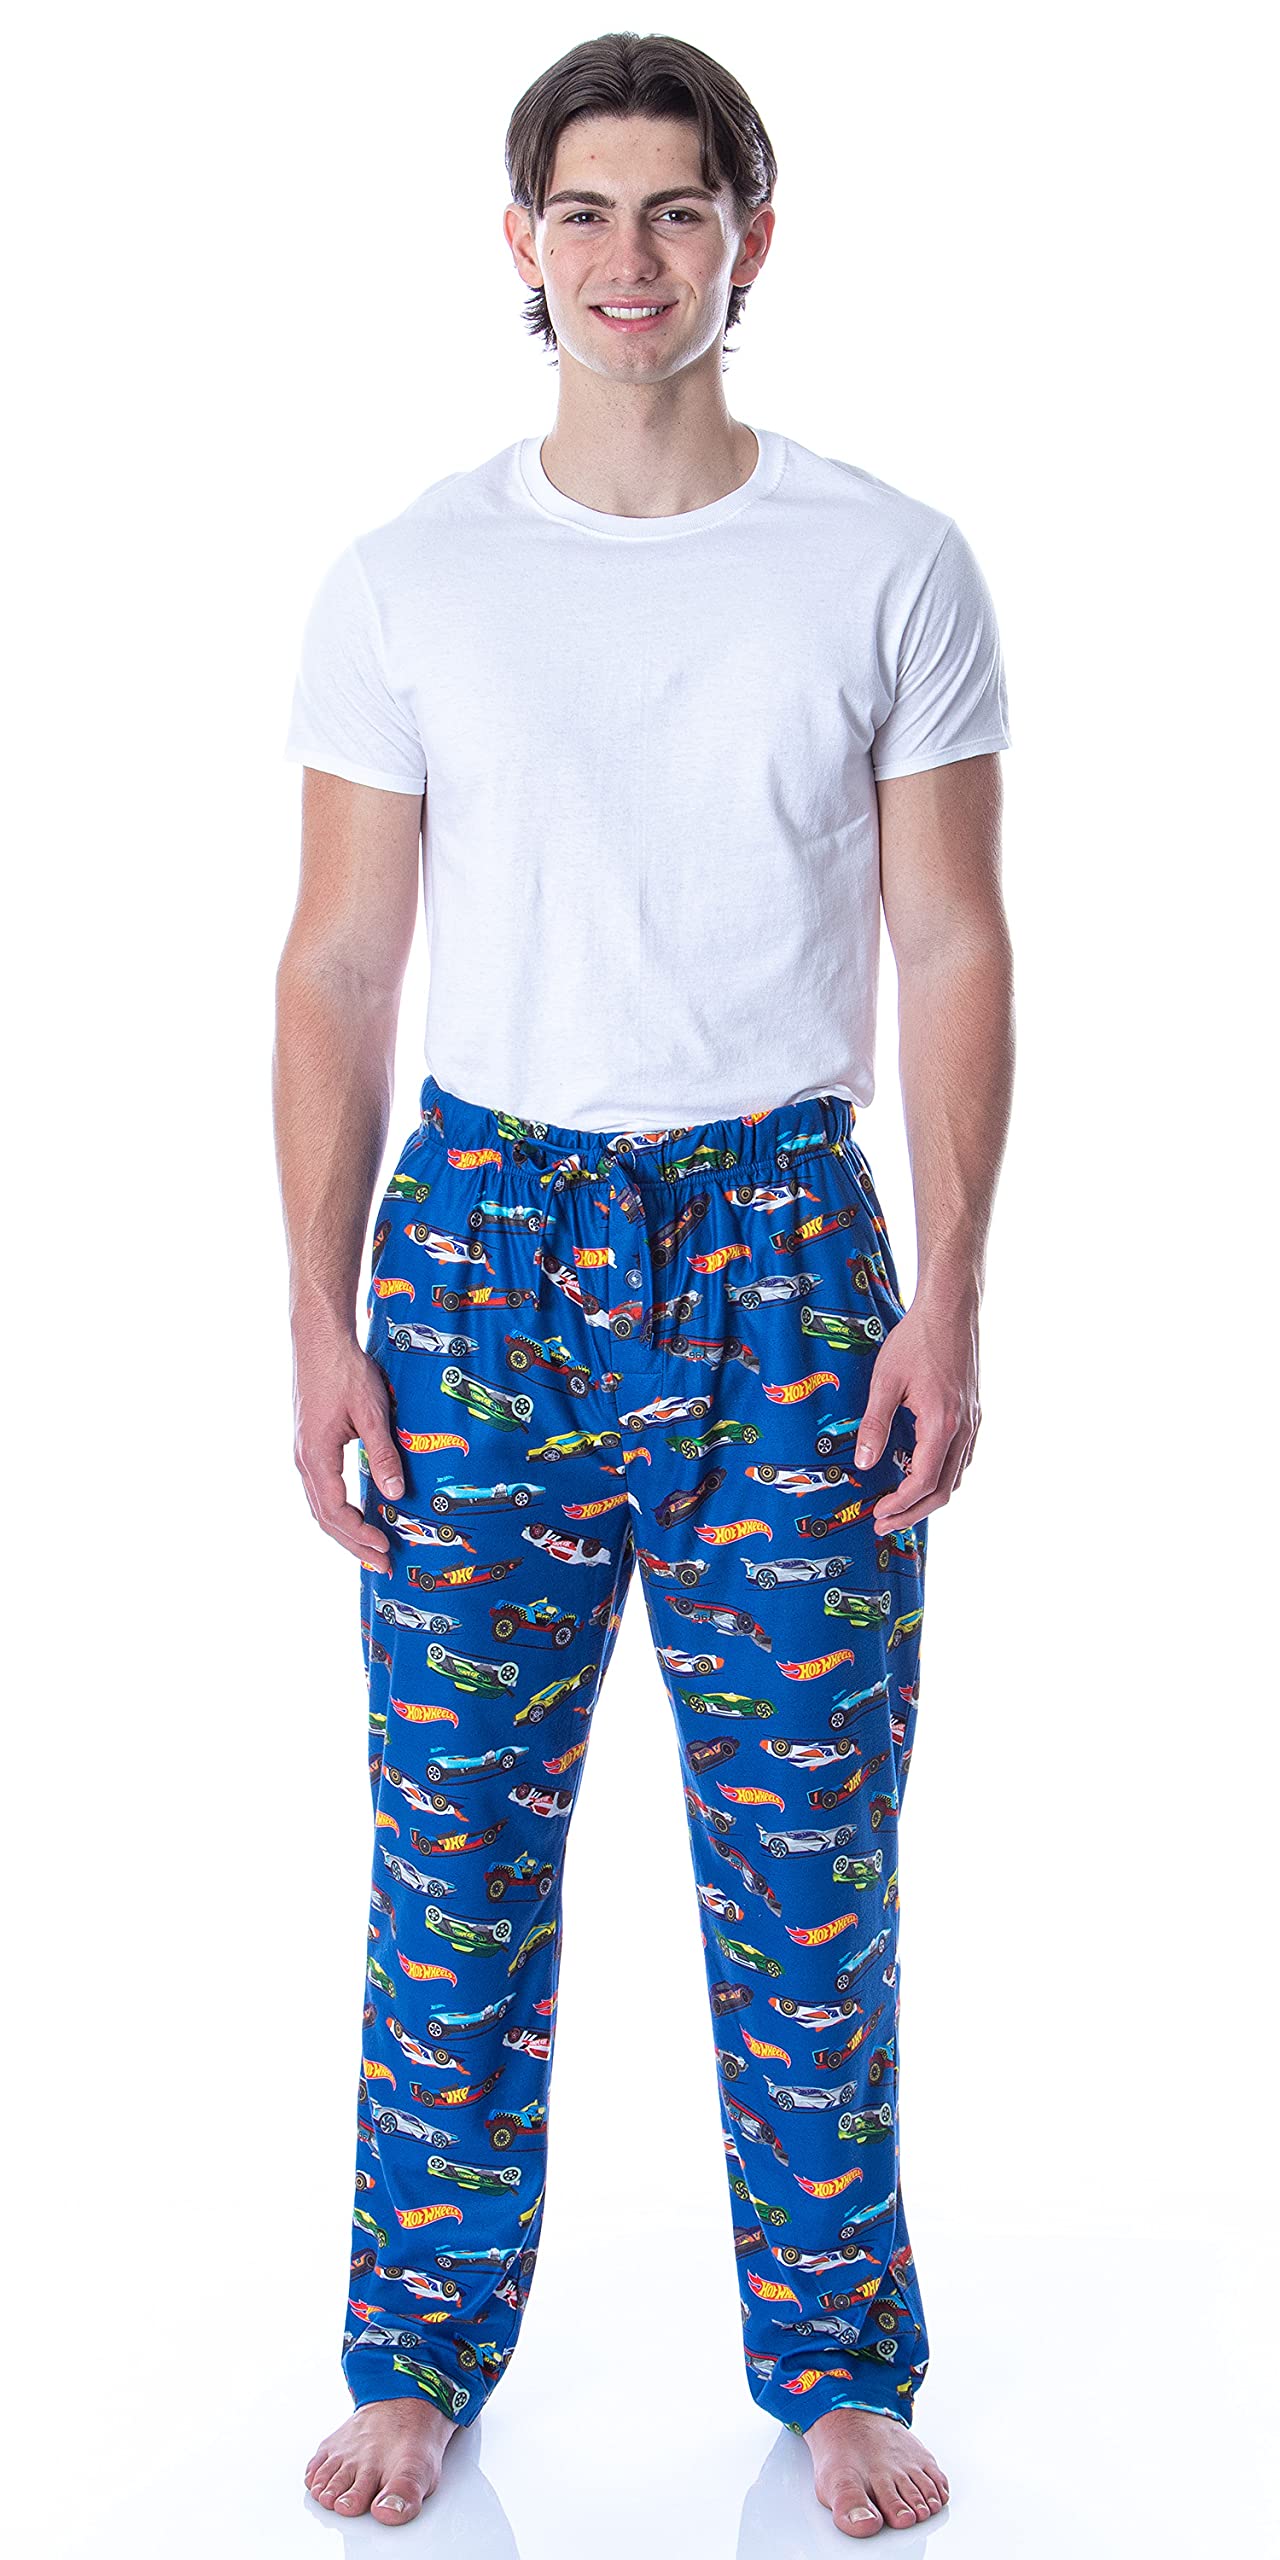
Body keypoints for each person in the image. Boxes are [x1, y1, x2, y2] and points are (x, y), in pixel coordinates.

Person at [275, 29, 1013, 2540]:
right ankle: (416, 2350)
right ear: (520, 244)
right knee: (453, 1849)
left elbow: (948, 934)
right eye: (582, 213)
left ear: (748, 240)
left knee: (811, 1858)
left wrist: (951, 1289)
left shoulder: (884, 560)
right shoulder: (409, 577)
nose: (628, 258)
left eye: (677, 211)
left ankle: (837, 2364)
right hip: (480, 1255)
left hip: (786, 1253)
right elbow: (339, 962)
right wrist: (316, 1311)